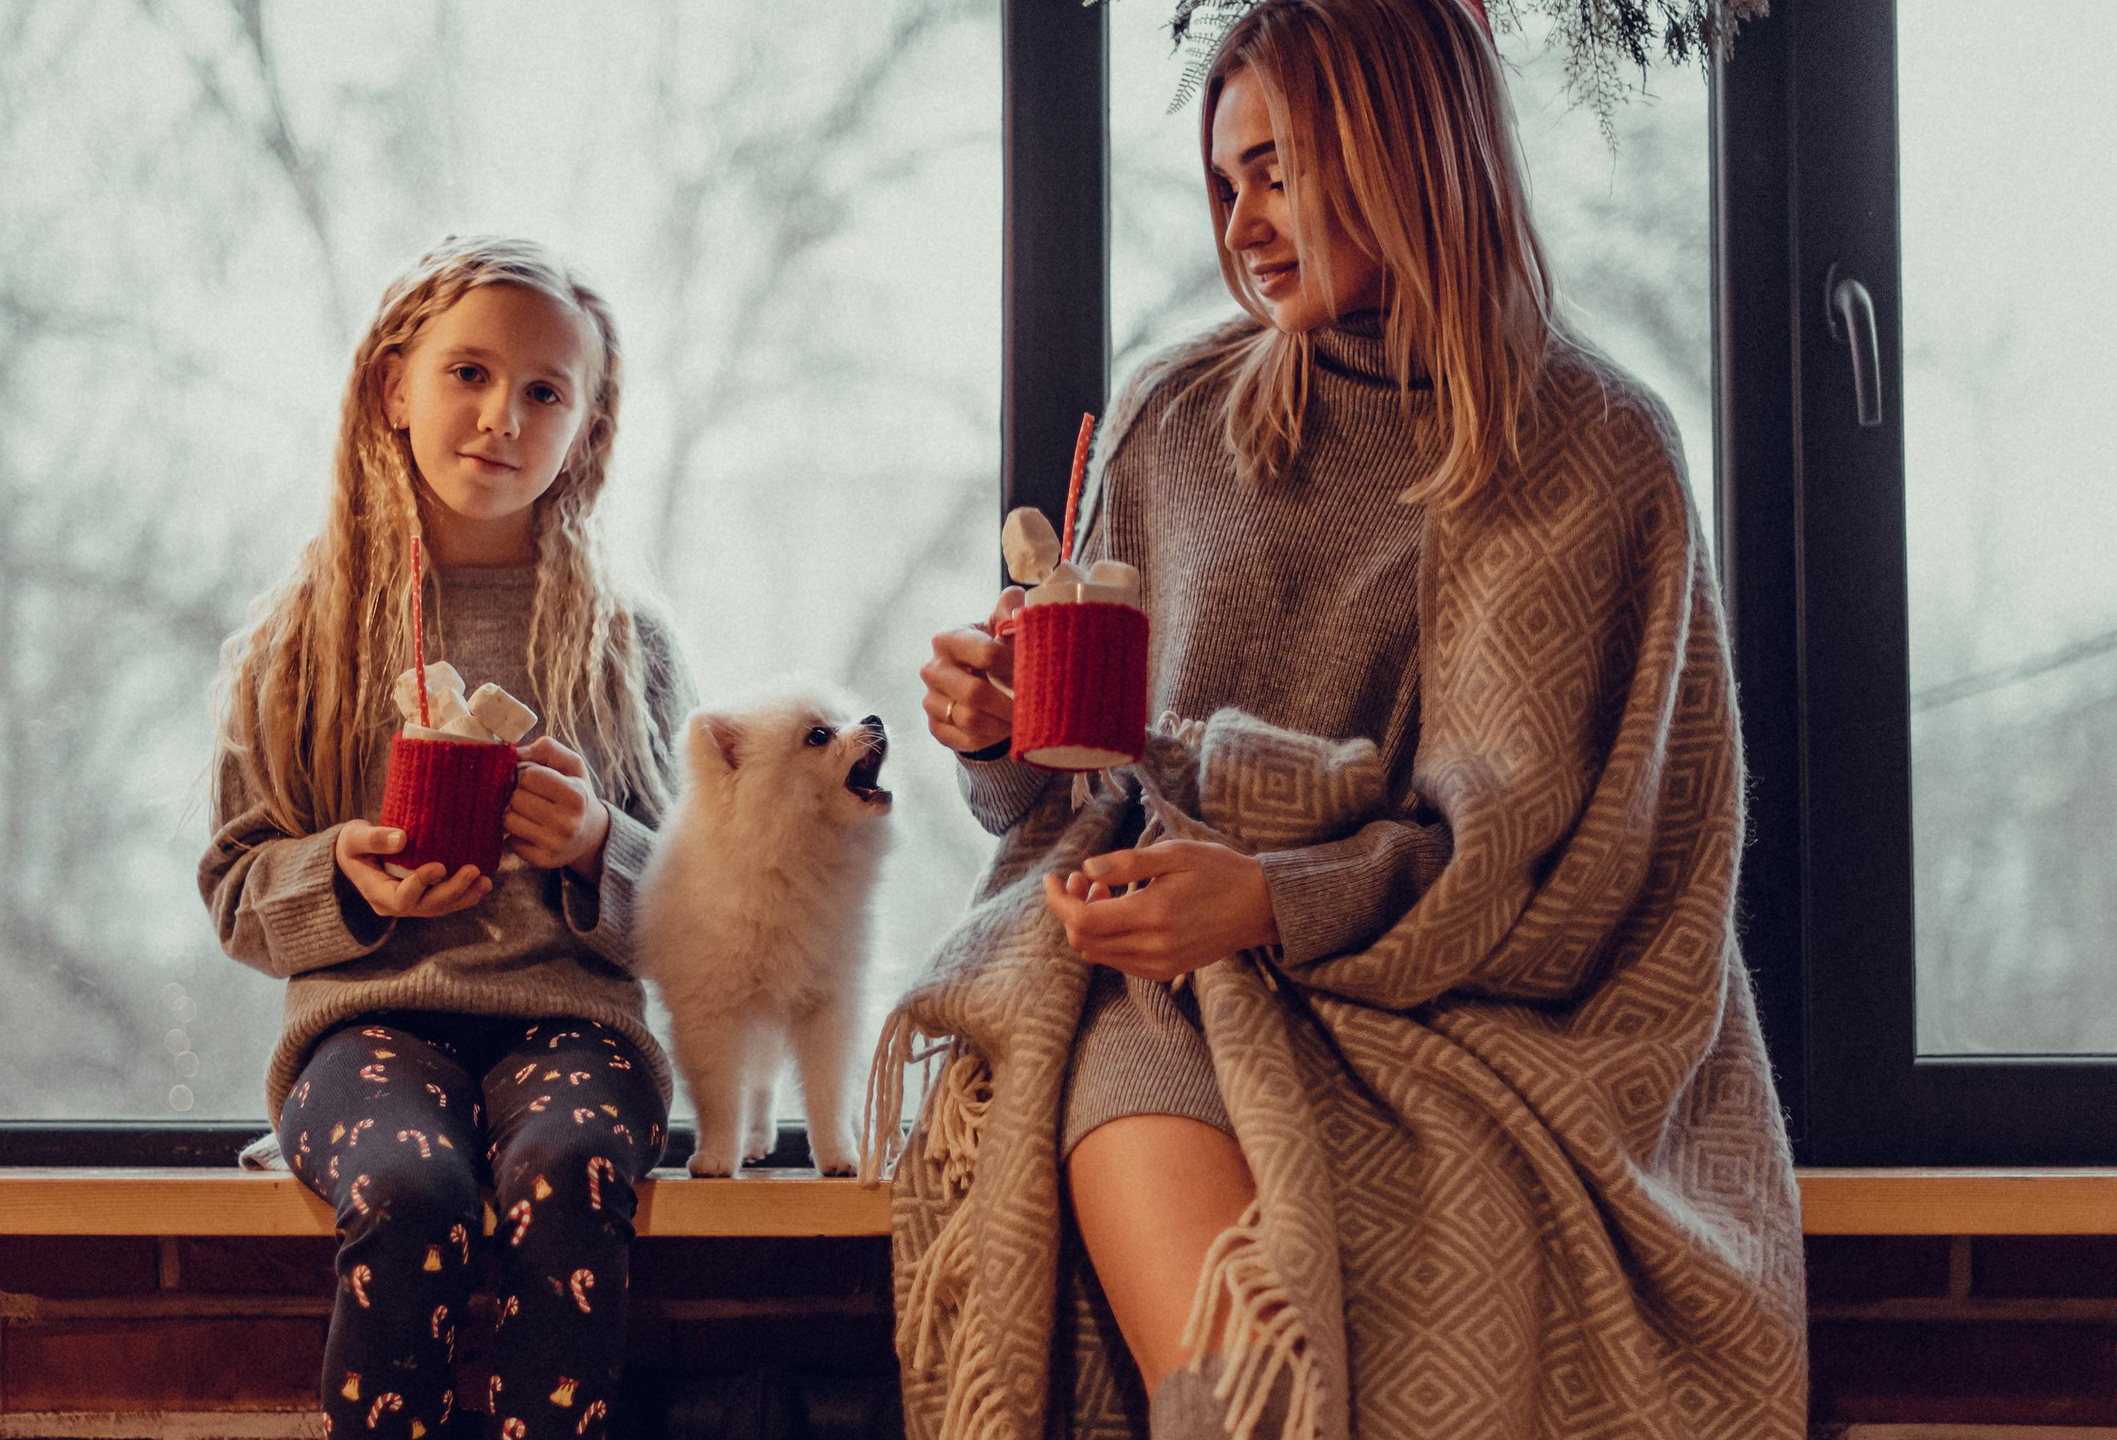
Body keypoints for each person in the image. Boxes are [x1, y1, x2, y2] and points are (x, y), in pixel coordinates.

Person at [895, 1, 1805, 1436]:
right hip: (1170, 999)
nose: (1245, 221)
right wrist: (1004, 745)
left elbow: (1584, 872)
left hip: (1492, 1023)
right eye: (1224, 181)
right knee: (1231, 1401)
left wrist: (1274, 899)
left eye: (1283, 168)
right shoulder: (1175, 418)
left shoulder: (1597, 449)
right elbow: (1093, 801)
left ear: (1413, 146)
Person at [204, 236, 688, 1440]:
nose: (501, 417)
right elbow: (235, 888)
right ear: (392, 388)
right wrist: (345, 880)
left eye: (544, 392)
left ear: (587, 427)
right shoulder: (299, 642)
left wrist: (596, 844)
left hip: (576, 1021)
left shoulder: (624, 647)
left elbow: (699, 916)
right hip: (363, 1022)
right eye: (467, 373)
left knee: (570, 1167)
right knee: (410, 1187)